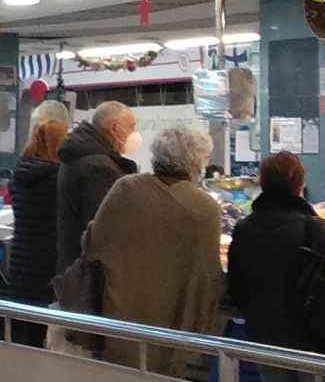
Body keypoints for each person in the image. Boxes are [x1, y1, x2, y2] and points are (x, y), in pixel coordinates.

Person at [80, 122, 224, 362]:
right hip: (170, 324)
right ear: (195, 161)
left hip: (118, 316)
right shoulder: (203, 207)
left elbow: (92, 242)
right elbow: (209, 274)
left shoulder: (125, 188)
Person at [225, 151, 325, 363]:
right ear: (299, 185)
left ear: (262, 184)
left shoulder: (244, 228)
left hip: (264, 337)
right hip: (312, 339)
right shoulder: (312, 227)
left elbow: (236, 286)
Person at [3, 116, 69, 344]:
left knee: (25, 330)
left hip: (21, 259)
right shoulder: (57, 179)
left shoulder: (18, 174)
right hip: (46, 262)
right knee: (45, 330)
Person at [55, 101, 137, 275]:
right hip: (90, 273)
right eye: (132, 127)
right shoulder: (99, 166)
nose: (134, 134)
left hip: (72, 263)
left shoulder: (77, 153)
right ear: (114, 128)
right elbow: (103, 226)